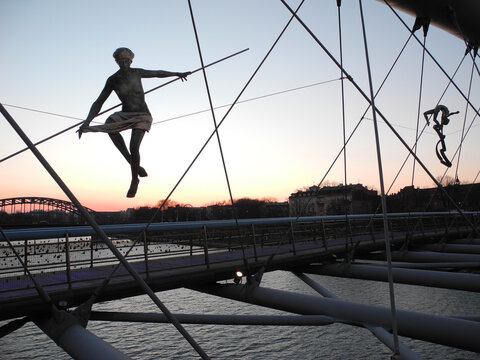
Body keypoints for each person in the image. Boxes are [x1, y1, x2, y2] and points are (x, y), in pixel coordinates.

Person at [78, 47, 191, 197]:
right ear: (117, 62)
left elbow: (157, 73)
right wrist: (87, 121)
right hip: (125, 114)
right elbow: (99, 102)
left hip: (142, 114)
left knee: (134, 146)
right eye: (121, 62)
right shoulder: (113, 80)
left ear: (131, 61)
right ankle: (132, 162)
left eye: (126, 61)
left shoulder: (137, 72)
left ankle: (134, 179)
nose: (124, 64)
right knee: (109, 124)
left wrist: (176, 74)